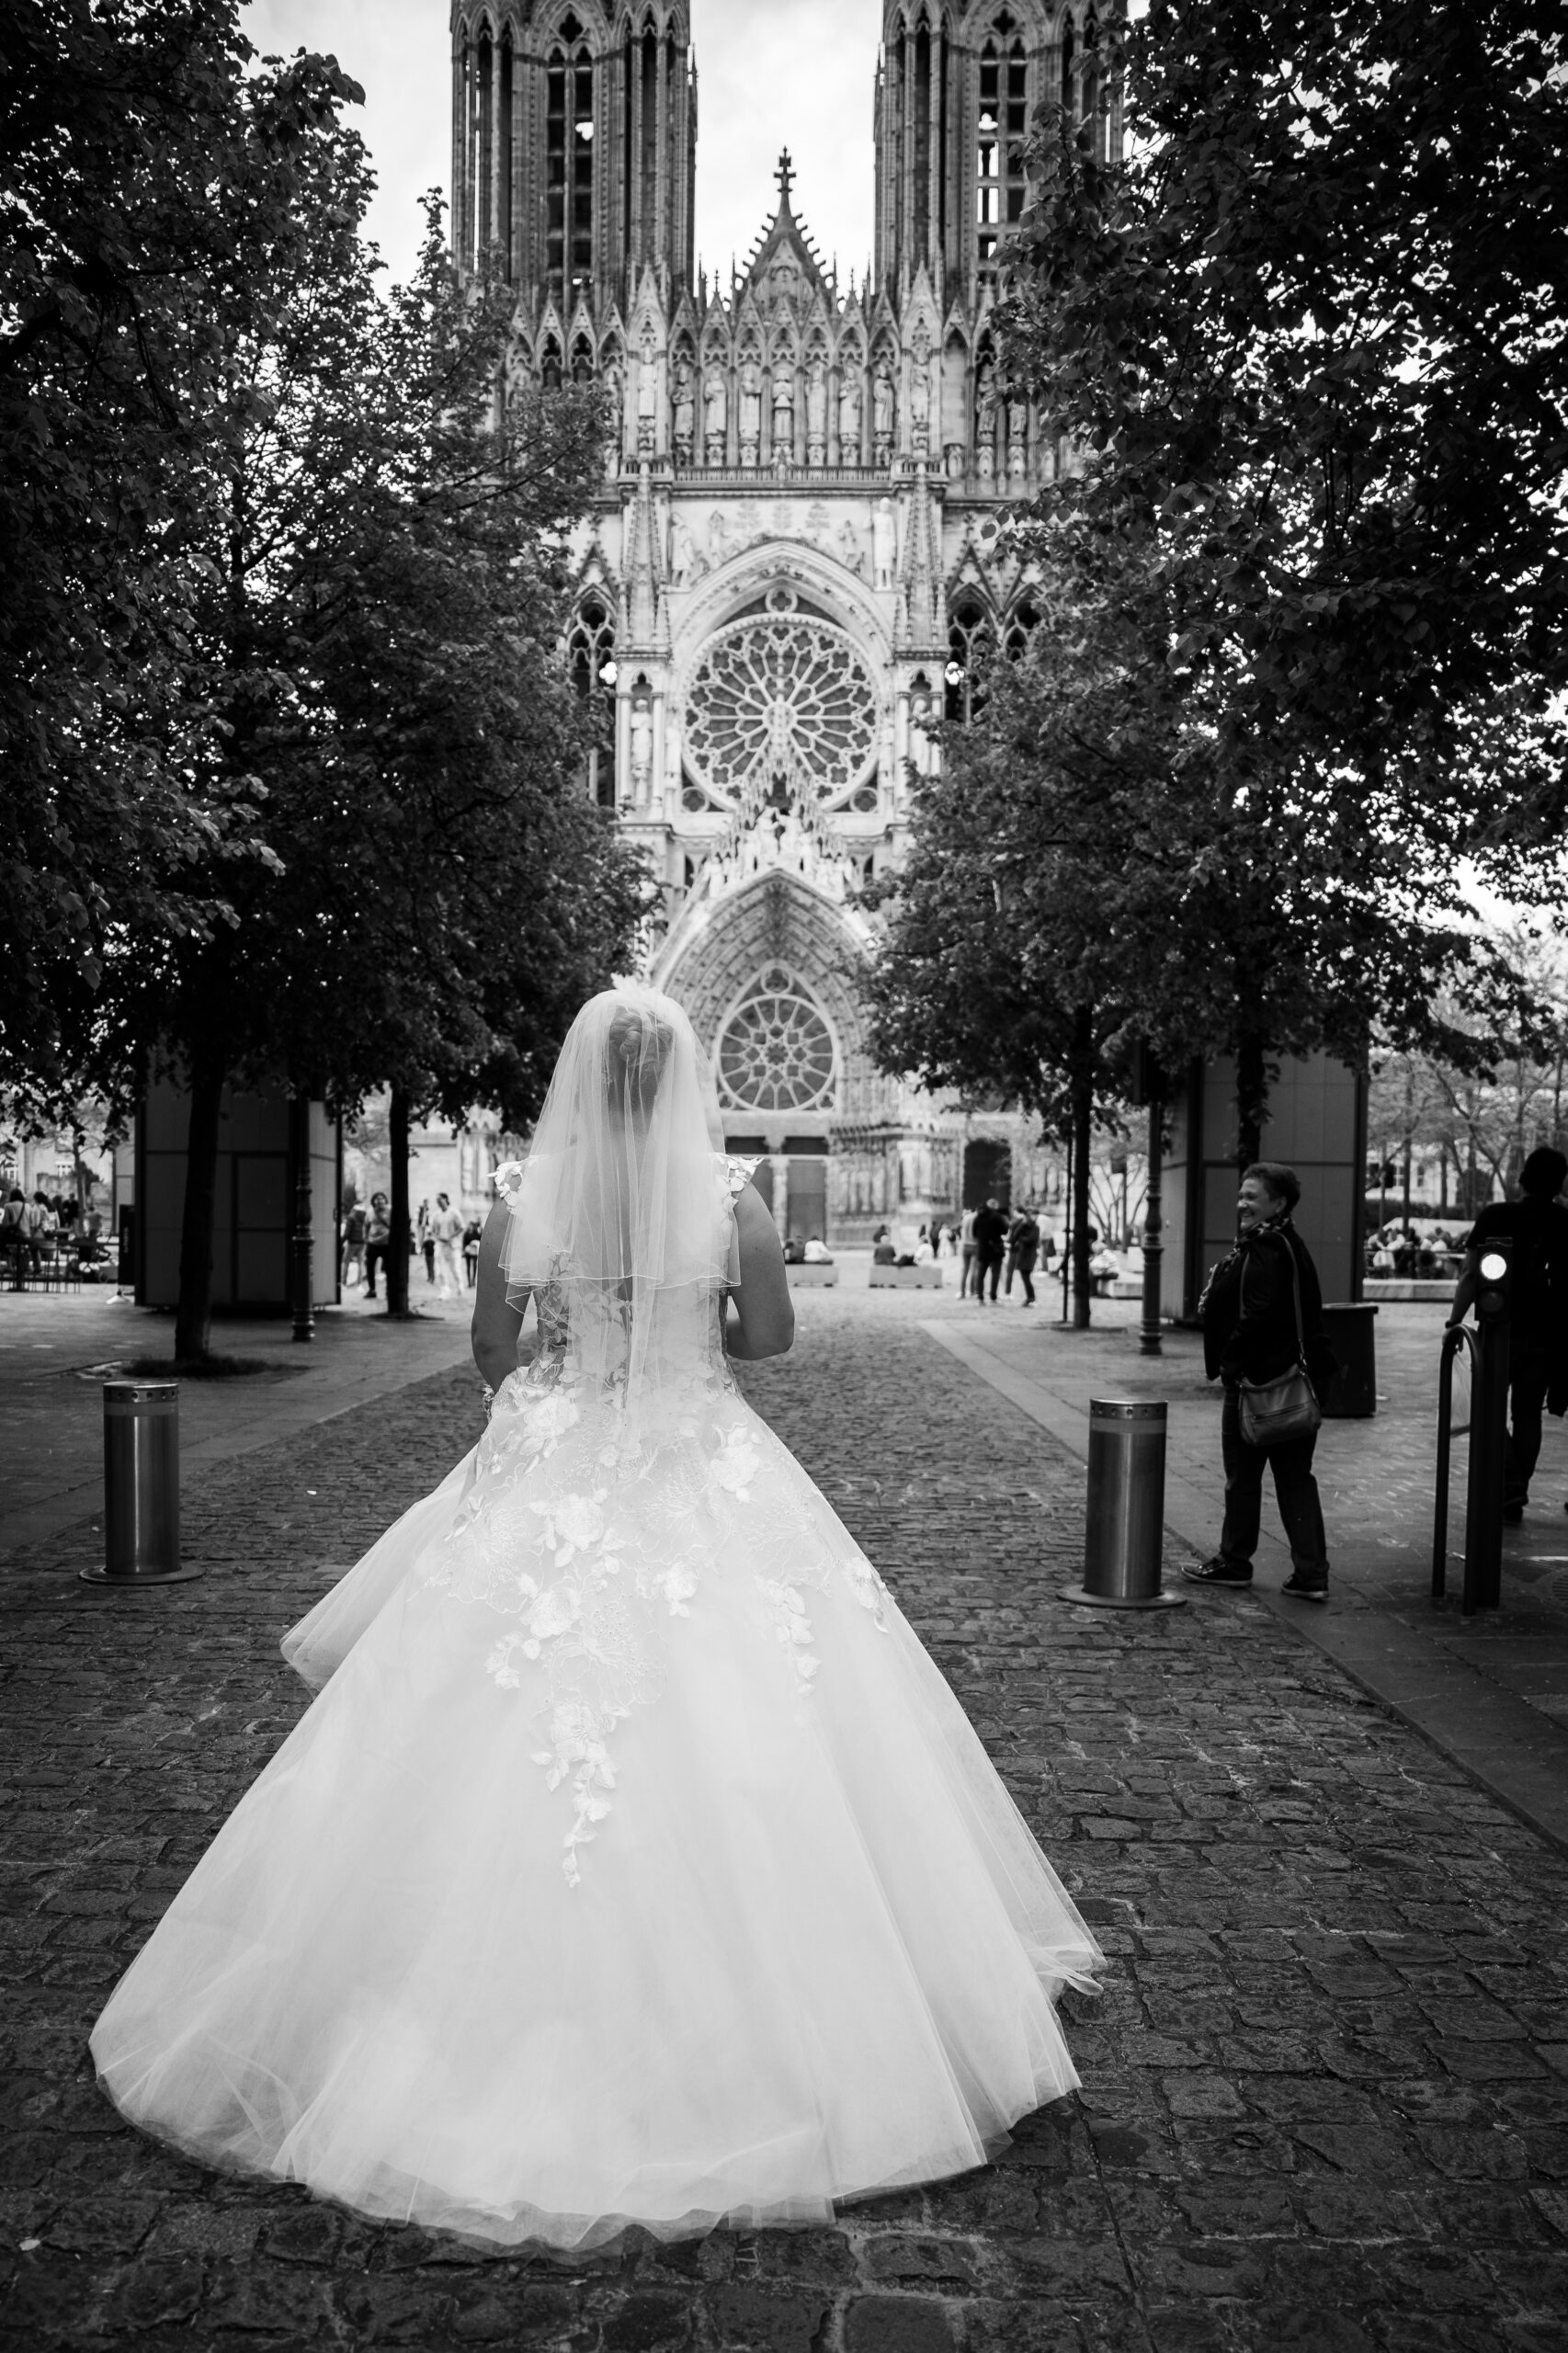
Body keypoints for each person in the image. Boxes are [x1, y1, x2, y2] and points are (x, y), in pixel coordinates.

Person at [89, 984, 1099, 2251]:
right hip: (696, 1456)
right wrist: (700, 1322)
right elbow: (770, 1344)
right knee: (764, 1710)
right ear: (680, 1080)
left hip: (564, 1463)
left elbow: (491, 1347)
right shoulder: (725, 1200)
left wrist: (567, 1375)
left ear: (580, 1076)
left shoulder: (527, 1195)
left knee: (479, 1713)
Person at [1184, 1162, 1338, 1603]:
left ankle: (1234, 1561)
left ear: (1280, 1203)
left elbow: (1257, 1316)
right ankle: (1311, 1573)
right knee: (1295, 1478)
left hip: (1259, 1384)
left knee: (1243, 1476)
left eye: (1252, 1196)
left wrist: (1231, 1365)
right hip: (1290, 1380)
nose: (1242, 1204)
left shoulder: (1267, 1248)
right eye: (1241, 1195)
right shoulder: (1286, 1243)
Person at [1448, 1145, 1568, 1521]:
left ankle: (1509, 1484)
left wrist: (1454, 1322)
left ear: (1522, 1177)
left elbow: (1469, 1275)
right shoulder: (1565, 1222)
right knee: (1528, 1413)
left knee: (1488, 1409)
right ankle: (1517, 1488)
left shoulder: (1497, 1215)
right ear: (1559, 1183)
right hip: (1547, 1335)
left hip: (1500, 1330)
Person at [972, 1197, 1007, 1303]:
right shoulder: (997, 1217)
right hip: (995, 1249)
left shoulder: (978, 1217)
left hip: (982, 1249)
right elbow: (1005, 1230)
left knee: (980, 1274)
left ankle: (980, 1297)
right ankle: (993, 1296)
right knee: (995, 1274)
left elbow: (974, 1233)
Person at [1005, 1204, 1041, 1306]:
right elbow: (1013, 1238)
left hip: (1029, 1256)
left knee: (1026, 1277)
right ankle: (1030, 1298)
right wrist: (1021, 1227)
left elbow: (1031, 1240)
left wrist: (1021, 1238)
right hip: (1022, 1254)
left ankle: (1031, 1298)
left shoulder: (1035, 1228)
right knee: (1025, 1277)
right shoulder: (1022, 1226)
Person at [431, 1191, 464, 1299]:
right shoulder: (436, 1215)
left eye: (440, 1199)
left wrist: (451, 1236)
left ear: (446, 1199)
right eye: (437, 1201)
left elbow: (461, 1227)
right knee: (440, 1269)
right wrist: (438, 1237)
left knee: (455, 1268)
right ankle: (445, 1290)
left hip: (453, 1245)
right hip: (441, 1245)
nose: (439, 1202)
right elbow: (433, 1230)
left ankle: (460, 1285)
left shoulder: (454, 1213)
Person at [363, 1193, 392, 1300]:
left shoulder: (390, 1210)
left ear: (385, 1200)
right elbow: (366, 1225)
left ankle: (389, 1290)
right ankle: (372, 1290)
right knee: (370, 1267)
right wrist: (365, 1238)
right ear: (373, 1201)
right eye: (377, 1199)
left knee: (389, 1268)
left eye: (382, 1199)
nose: (380, 1201)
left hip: (386, 1244)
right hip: (372, 1244)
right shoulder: (370, 1211)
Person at [341, 1199, 368, 1290]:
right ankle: (359, 1284)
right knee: (360, 1263)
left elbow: (347, 1233)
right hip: (362, 1243)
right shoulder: (365, 1216)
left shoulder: (351, 1217)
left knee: (346, 1262)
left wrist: (340, 1242)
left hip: (352, 1243)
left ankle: (343, 1283)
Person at [959, 1204, 978, 1298]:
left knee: (965, 1270)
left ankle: (962, 1291)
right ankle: (972, 1290)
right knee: (974, 1270)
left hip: (965, 1245)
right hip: (975, 1245)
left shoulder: (965, 1217)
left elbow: (962, 1232)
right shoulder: (978, 1218)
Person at [416, 1199, 437, 1287]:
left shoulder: (432, 1239)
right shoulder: (421, 1209)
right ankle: (429, 1277)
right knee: (428, 1266)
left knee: (431, 1266)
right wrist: (421, 1250)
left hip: (431, 1254)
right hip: (427, 1253)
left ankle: (432, 1277)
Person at [462, 1218, 483, 1289]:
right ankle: (469, 1282)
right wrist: (464, 1250)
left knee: (474, 1266)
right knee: (468, 1267)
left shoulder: (477, 1233)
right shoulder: (466, 1234)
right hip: (468, 1252)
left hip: (474, 1252)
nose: (470, 1227)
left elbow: (480, 1240)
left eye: (472, 1225)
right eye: (470, 1225)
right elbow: (464, 1243)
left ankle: (473, 1281)